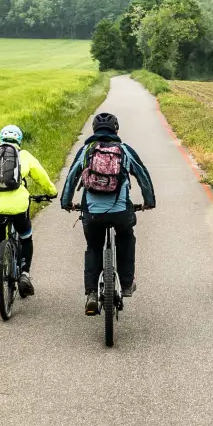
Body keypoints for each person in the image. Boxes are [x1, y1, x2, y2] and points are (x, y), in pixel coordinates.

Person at [60, 111, 157, 316]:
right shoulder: (124, 150)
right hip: (121, 211)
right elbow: (142, 175)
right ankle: (127, 283)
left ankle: (91, 293)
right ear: (116, 130)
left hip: (92, 213)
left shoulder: (86, 150)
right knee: (126, 238)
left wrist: (66, 202)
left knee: (94, 247)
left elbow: (71, 178)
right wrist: (149, 201)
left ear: (94, 130)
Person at [0, 124, 59, 296]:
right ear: (19, 140)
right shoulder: (24, 155)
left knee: (0, 222)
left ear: (1, 139)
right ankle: (25, 273)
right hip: (18, 207)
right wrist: (52, 192)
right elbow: (41, 176)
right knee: (26, 237)